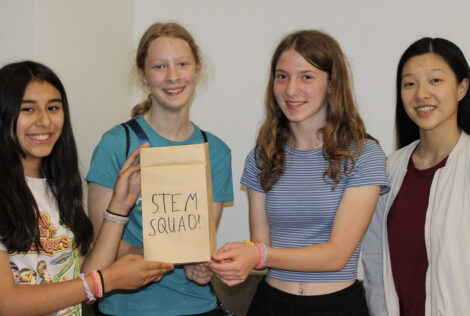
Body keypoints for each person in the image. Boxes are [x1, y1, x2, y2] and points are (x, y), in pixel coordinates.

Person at [209, 30, 389, 315]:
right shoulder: (262, 156)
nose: (291, 90)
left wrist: (258, 254)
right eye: (282, 76)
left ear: (332, 84)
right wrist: (229, 263)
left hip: (337, 305)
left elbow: (337, 255)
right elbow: (261, 248)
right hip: (270, 302)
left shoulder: (363, 155)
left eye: (306, 76)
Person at [0, 61, 173, 316]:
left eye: (53, 107)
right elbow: (6, 302)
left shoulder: (57, 188)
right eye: (28, 109)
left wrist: (120, 205)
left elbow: (82, 279)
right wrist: (105, 281)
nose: (44, 120)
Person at [86, 22, 233, 316]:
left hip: (197, 306)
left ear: (197, 69)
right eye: (159, 67)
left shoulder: (215, 151)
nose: (173, 77)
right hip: (126, 307)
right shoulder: (116, 144)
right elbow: (102, 245)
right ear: (143, 75)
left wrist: (202, 265)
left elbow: (198, 241)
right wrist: (179, 255)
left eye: (182, 64)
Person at [362, 37, 470, 316]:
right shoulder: (389, 169)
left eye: (435, 81)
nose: (421, 94)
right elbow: (375, 262)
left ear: (462, 88)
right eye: (409, 83)